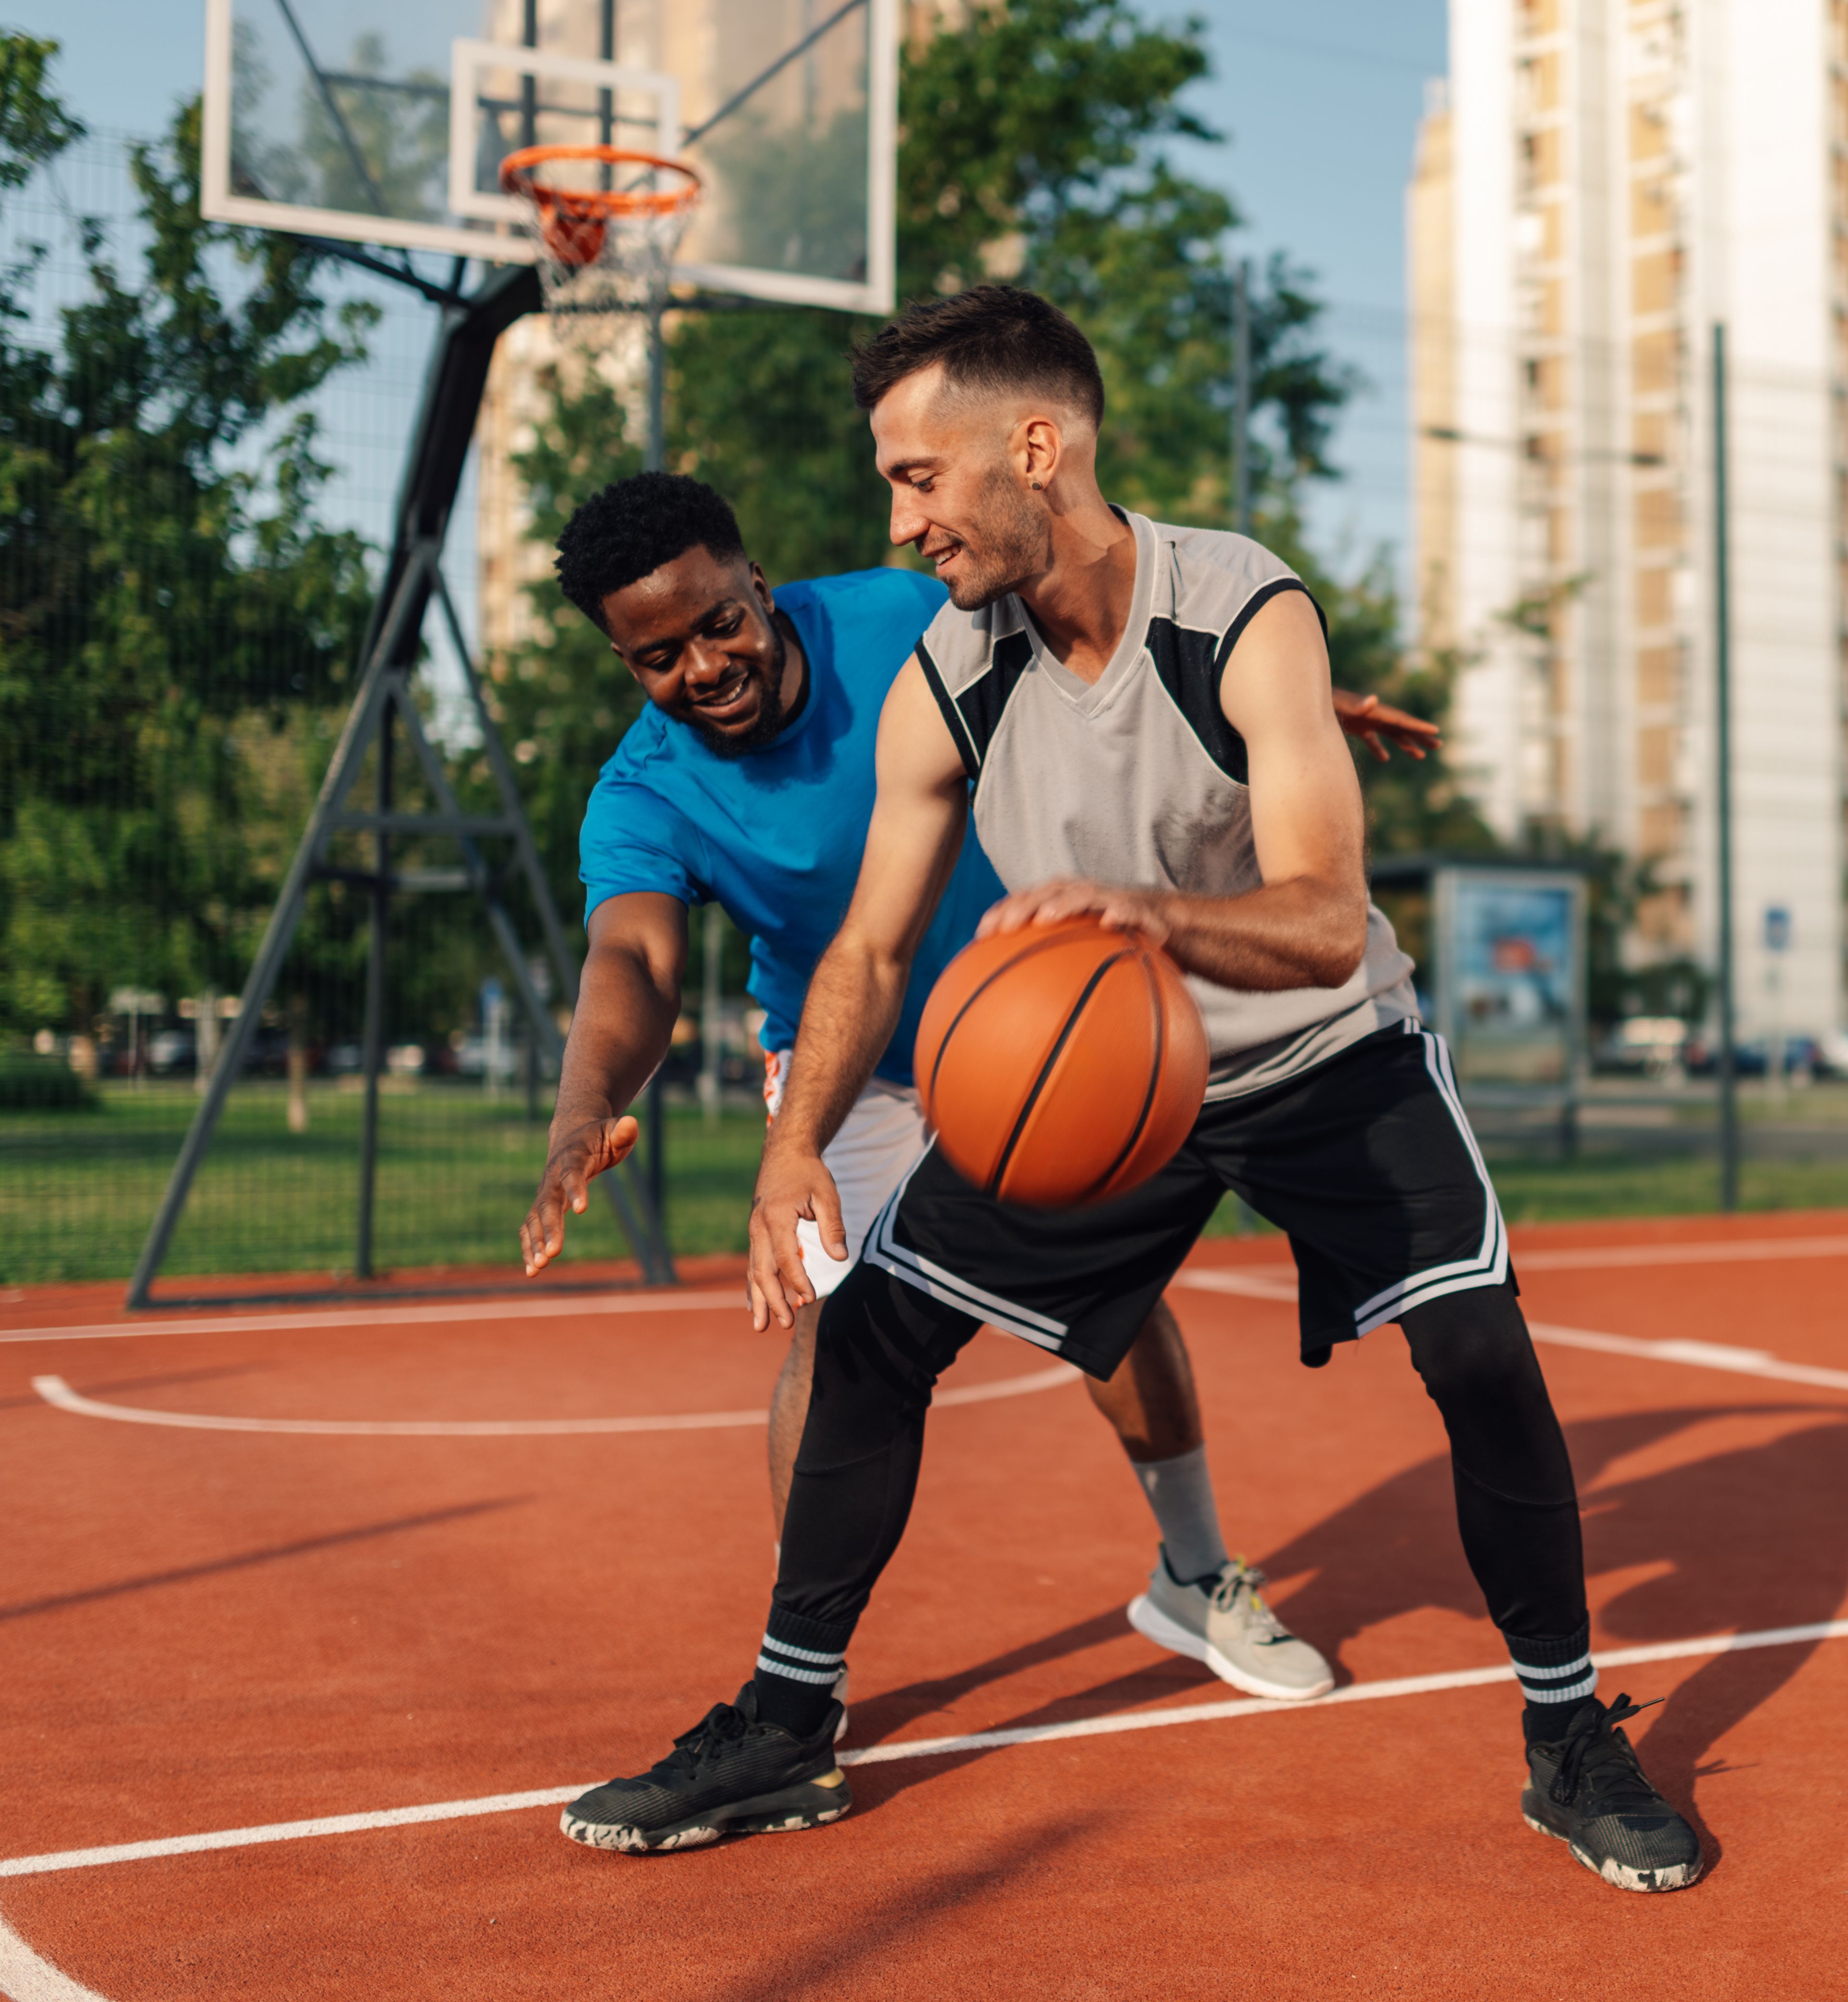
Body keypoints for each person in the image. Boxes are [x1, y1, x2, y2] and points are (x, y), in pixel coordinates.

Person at [560, 290, 1701, 1894]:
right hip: (1116, 1076)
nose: (903, 518)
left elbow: (1318, 920)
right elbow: (874, 949)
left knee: (1479, 1348)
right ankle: (787, 1720)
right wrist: (794, 1148)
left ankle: (1571, 1737)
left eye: (919, 476)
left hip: (1322, 1056)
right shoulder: (951, 668)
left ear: (1036, 448)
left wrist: (1139, 915)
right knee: (871, 1337)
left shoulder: (1240, 605)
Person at [517, 471, 1434, 1722]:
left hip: (1033, 1023)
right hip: (848, 1064)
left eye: (719, 622)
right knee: (831, 1336)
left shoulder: (902, 621)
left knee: (1109, 1303)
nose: (705, 666)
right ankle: (803, 1675)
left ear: (760, 588)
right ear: (628, 666)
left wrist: (1278, 699)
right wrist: (585, 1106)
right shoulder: (644, 792)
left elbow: (1093, 665)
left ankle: (1195, 1572)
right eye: (658, 657)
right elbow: (632, 960)